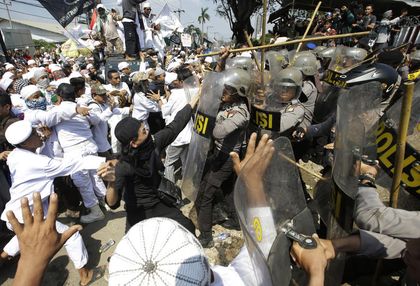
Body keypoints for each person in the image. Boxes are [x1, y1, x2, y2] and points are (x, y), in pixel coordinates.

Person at [0, 120, 107, 285]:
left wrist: (43, 141)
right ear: (27, 142)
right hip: (28, 216)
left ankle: (2, 258)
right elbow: (71, 164)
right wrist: (102, 162)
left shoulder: (15, 154)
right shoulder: (39, 163)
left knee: (22, 238)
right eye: (35, 134)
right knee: (72, 236)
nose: (40, 134)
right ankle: (86, 275)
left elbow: (37, 158)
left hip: (14, 215)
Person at [98, 91, 201, 233]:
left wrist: (196, 96)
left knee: (187, 227)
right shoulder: (122, 166)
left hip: (159, 202)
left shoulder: (154, 143)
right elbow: (112, 203)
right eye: (144, 131)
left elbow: (176, 125)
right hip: (137, 211)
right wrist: (111, 183)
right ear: (133, 143)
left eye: (144, 127)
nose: (147, 130)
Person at [195, 68, 251, 247]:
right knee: (227, 190)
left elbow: (218, 132)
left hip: (228, 158)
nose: (223, 92)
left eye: (228, 89)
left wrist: (211, 117)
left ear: (239, 93)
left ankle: (206, 236)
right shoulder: (227, 103)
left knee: (206, 194)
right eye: (224, 88)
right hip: (218, 154)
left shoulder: (242, 114)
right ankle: (235, 220)